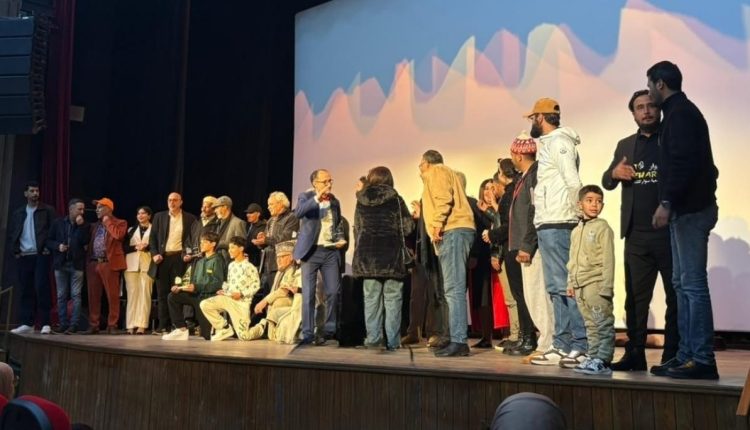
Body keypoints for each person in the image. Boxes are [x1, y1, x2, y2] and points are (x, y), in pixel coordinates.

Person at [647, 60, 719, 380]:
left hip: (691, 210)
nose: (649, 92)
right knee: (681, 284)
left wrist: (667, 202)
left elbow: (684, 163)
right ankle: (686, 355)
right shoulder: (677, 114)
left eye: (650, 85)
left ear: (660, 84)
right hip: (685, 211)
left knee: (692, 285)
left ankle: (702, 359)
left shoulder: (681, 115)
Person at [602, 90, 677, 371]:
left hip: (669, 234)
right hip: (636, 235)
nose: (646, 111)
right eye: (639, 107)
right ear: (633, 113)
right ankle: (635, 355)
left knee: (675, 297)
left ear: (659, 109)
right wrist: (613, 174)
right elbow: (606, 181)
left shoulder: (671, 138)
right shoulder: (625, 145)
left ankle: (672, 355)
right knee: (635, 300)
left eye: (650, 106)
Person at [523, 99, 588, 368]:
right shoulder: (548, 143)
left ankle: (580, 345)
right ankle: (562, 345)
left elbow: (572, 180)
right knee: (555, 288)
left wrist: (579, 210)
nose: (531, 123)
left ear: (541, 117)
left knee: (566, 286)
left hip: (560, 220)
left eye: (533, 118)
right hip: (549, 221)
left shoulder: (560, 142)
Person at [418, 150, 475, 357]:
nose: (419, 169)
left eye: (420, 164)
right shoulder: (442, 173)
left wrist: (436, 224)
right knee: (452, 289)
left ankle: (459, 341)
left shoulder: (437, 171)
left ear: (426, 163)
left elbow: (443, 198)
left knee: (454, 289)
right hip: (454, 231)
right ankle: (455, 338)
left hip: (453, 230)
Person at [352, 166, 414, 351]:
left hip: (367, 258)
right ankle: (393, 342)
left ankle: (373, 339)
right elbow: (408, 228)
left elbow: (357, 228)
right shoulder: (396, 199)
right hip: (391, 258)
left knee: (371, 300)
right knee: (393, 300)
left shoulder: (361, 200)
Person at [507, 133, 555, 358]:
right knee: (532, 295)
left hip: (532, 247)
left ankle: (547, 344)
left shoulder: (534, 175)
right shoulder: (527, 176)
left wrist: (527, 244)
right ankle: (545, 342)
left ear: (518, 155)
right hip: (525, 244)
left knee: (538, 296)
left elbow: (534, 210)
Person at [294, 169, 347, 345]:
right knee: (308, 294)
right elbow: (299, 212)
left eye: (330, 181)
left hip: (330, 252)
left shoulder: (334, 201)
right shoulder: (305, 196)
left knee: (333, 292)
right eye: (325, 181)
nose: (329, 184)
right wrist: (317, 197)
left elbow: (337, 224)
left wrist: (339, 238)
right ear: (315, 183)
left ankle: (329, 330)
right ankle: (308, 333)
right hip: (311, 252)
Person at [566, 185, 615, 375]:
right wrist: (571, 283)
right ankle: (593, 356)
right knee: (590, 324)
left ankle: (603, 359)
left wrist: (606, 287)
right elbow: (572, 259)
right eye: (589, 200)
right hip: (580, 285)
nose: (595, 205)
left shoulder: (603, 227)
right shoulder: (576, 231)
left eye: (599, 201)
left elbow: (608, 259)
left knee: (602, 323)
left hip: (596, 284)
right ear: (580, 204)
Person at [8, 181, 56, 335]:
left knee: (42, 287)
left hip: (40, 254)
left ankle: (46, 323)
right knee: (25, 289)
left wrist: (48, 247)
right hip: (24, 255)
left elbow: (53, 231)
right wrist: (15, 251)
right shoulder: (19, 213)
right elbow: (13, 232)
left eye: (37, 191)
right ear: (26, 194)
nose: (35, 194)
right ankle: (27, 323)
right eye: (32, 191)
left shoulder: (47, 210)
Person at [149, 192, 198, 335]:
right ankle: (163, 325)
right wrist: (154, 254)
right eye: (170, 200)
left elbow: (192, 239)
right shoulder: (159, 217)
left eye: (175, 200)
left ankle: (177, 324)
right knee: (162, 293)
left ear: (181, 202)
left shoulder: (189, 218)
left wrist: (188, 254)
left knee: (177, 291)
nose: (172, 202)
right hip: (163, 258)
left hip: (179, 259)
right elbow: (152, 238)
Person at [162, 231, 225, 341]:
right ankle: (181, 329)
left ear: (213, 244)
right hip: (197, 295)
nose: (201, 244)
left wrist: (197, 287)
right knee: (173, 296)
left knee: (207, 336)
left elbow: (218, 283)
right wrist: (181, 288)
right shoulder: (199, 262)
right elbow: (193, 282)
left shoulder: (217, 260)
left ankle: (217, 328)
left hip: (208, 298)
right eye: (201, 242)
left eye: (204, 242)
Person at [200, 236, 260, 341]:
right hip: (228, 299)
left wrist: (241, 294)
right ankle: (224, 328)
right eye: (229, 248)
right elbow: (229, 282)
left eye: (232, 247)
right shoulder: (231, 265)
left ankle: (262, 325)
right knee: (205, 304)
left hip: (241, 304)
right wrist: (224, 290)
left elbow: (256, 286)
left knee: (244, 336)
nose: (229, 250)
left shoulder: (249, 267)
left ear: (241, 248)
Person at [82, 198, 127, 335]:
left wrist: (108, 222)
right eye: (97, 208)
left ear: (109, 209)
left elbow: (118, 235)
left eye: (100, 207)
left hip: (109, 263)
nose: (97, 210)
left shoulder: (120, 222)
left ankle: (112, 324)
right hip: (94, 263)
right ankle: (93, 324)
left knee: (112, 296)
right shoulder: (95, 226)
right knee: (93, 296)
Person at [45, 198, 89, 334]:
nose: (82, 212)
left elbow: (85, 242)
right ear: (71, 209)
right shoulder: (58, 223)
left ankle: (74, 324)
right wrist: (58, 246)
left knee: (76, 295)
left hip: (76, 264)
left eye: (83, 209)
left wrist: (81, 226)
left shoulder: (85, 225)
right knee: (61, 295)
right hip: (61, 263)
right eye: (79, 209)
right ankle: (63, 323)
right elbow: (48, 241)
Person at [247, 241, 302, 343]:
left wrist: (265, 301)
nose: (278, 260)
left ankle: (267, 330)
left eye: (282, 257)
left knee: (278, 301)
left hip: (294, 302)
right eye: (277, 257)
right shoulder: (280, 272)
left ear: (291, 257)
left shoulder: (293, 270)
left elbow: (283, 291)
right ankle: (265, 328)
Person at [123, 206, 153, 335]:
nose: (140, 216)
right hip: (131, 264)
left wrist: (147, 247)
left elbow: (158, 246)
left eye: (143, 213)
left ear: (149, 216)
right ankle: (130, 325)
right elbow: (123, 247)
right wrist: (135, 247)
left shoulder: (154, 229)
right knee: (132, 295)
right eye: (139, 213)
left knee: (145, 294)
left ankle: (142, 325)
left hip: (147, 264)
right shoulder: (131, 230)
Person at [213, 195, 247, 267]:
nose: (215, 210)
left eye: (217, 207)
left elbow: (241, 244)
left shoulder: (238, 223)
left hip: (230, 263)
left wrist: (220, 243)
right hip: (218, 261)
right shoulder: (218, 222)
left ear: (225, 207)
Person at [243, 203, 266, 268]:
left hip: (257, 262)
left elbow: (262, 245)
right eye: (247, 213)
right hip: (248, 259)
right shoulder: (248, 225)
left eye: (251, 213)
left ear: (258, 214)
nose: (248, 215)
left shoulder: (264, 226)